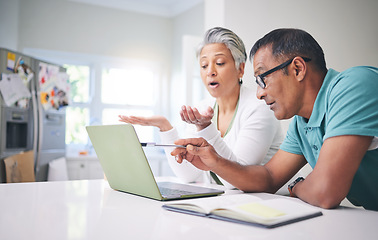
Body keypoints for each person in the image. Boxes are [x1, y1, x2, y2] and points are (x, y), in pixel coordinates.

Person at [172, 28, 378, 211]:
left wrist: (296, 186)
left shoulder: (355, 85)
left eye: (263, 78)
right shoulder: (301, 123)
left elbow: (325, 192)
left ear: (297, 68)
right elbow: (268, 178)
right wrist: (214, 161)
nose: (259, 93)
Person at [119, 27, 283, 188]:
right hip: (223, 203)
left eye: (219, 63)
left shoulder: (259, 108)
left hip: (264, 204)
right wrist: (165, 128)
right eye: (204, 66)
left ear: (240, 69)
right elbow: (188, 174)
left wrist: (205, 127)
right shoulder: (203, 108)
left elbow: (235, 180)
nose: (210, 71)